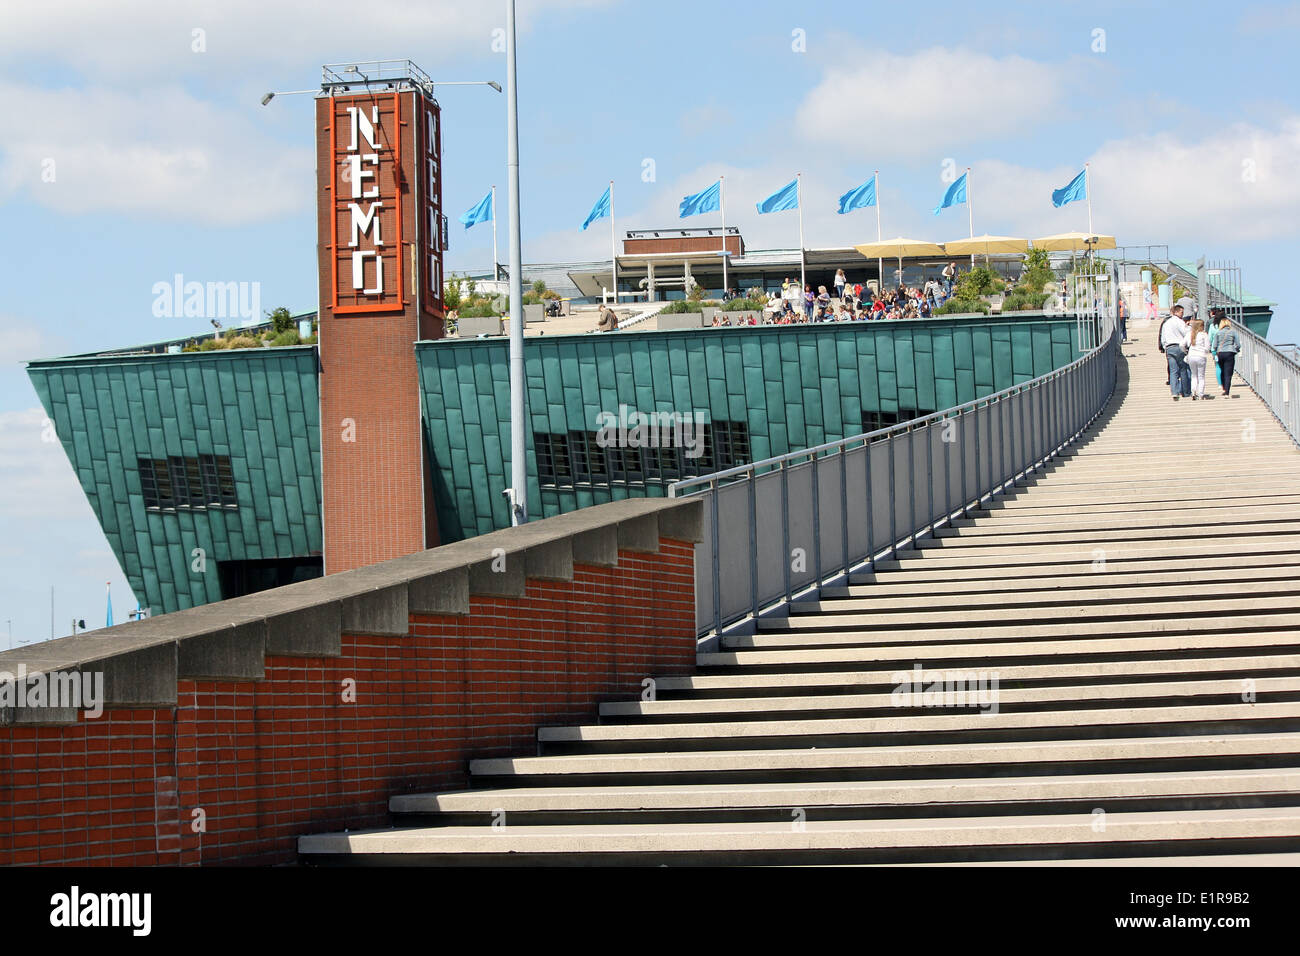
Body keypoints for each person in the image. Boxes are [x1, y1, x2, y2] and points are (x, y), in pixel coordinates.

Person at [1159, 305, 1190, 400]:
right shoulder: (1179, 322)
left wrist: (1165, 346)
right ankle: (1185, 392)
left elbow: (1163, 337)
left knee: (1173, 371)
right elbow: (1186, 333)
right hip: (1179, 346)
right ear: (1176, 312)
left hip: (1169, 348)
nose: (1182, 314)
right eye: (1181, 312)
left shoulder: (1166, 323)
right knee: (1183, 369)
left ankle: (1174, 392)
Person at [1216, 317, 1241, 397]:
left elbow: (1214, 345)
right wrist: (1236, 349)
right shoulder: (1233, 332)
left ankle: (1223, 387)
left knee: (1222, 371)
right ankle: (1227, 391)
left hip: (1220, 353)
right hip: (1230, 353)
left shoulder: (1218, 332)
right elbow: (1238, 344)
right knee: (1228, 373)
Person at [1185, 318, 1210, 400]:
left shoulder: (1190, 334)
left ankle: (1193, 392)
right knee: (1201, 376)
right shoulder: (1204, 335)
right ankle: (1201, 394)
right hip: (1201, 356)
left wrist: (1185, 351)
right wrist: (1205, 352)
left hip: (1191, 355)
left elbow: (1182, 344)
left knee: (1194, 375)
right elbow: (1207, 347)